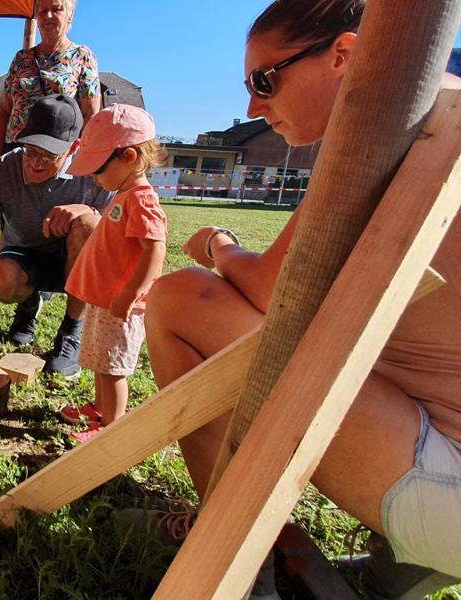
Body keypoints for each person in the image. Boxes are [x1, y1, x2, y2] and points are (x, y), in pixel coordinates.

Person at [141, 0, 461, 595]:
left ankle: (237, 561)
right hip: (437, 465)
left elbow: (271, 290)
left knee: (183, 298)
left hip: (443, 487)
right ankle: (406, 563)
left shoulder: (396, 124)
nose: (252, 107)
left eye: (265, 80)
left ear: (344, 54)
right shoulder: (444, 100)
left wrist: (218, 245)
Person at [0, 95, 112, 378]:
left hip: (75, 262)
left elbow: (123, 237)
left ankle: (70, 332)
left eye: (49, 155)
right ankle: (29, 304)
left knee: (90, 224)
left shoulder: (96, 174)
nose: (36, 163)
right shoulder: (3, 171)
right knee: (0, 277)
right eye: (31, 150)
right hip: (25, 256)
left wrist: (87, 211)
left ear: (74, 147)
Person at [58, 105, 167, 441]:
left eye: (97, 168)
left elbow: (155, 248)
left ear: (129, 156)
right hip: (105, 302)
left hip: (121, 307)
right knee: (99, 361)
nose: (93, 176)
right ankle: (100, 408)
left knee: (113, 369)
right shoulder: (124, 194)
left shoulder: (142, 200)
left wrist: (130, 295)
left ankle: (110, 429)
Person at [0, 0, 100, 163]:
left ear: (70, 15)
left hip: (57, 155)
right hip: (16, 151)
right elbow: (4, 109)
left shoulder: (82, 56)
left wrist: (79, 157)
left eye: (56, 9)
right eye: (42, 11)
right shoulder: (21, 58)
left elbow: (90, 115)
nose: (48, 15)